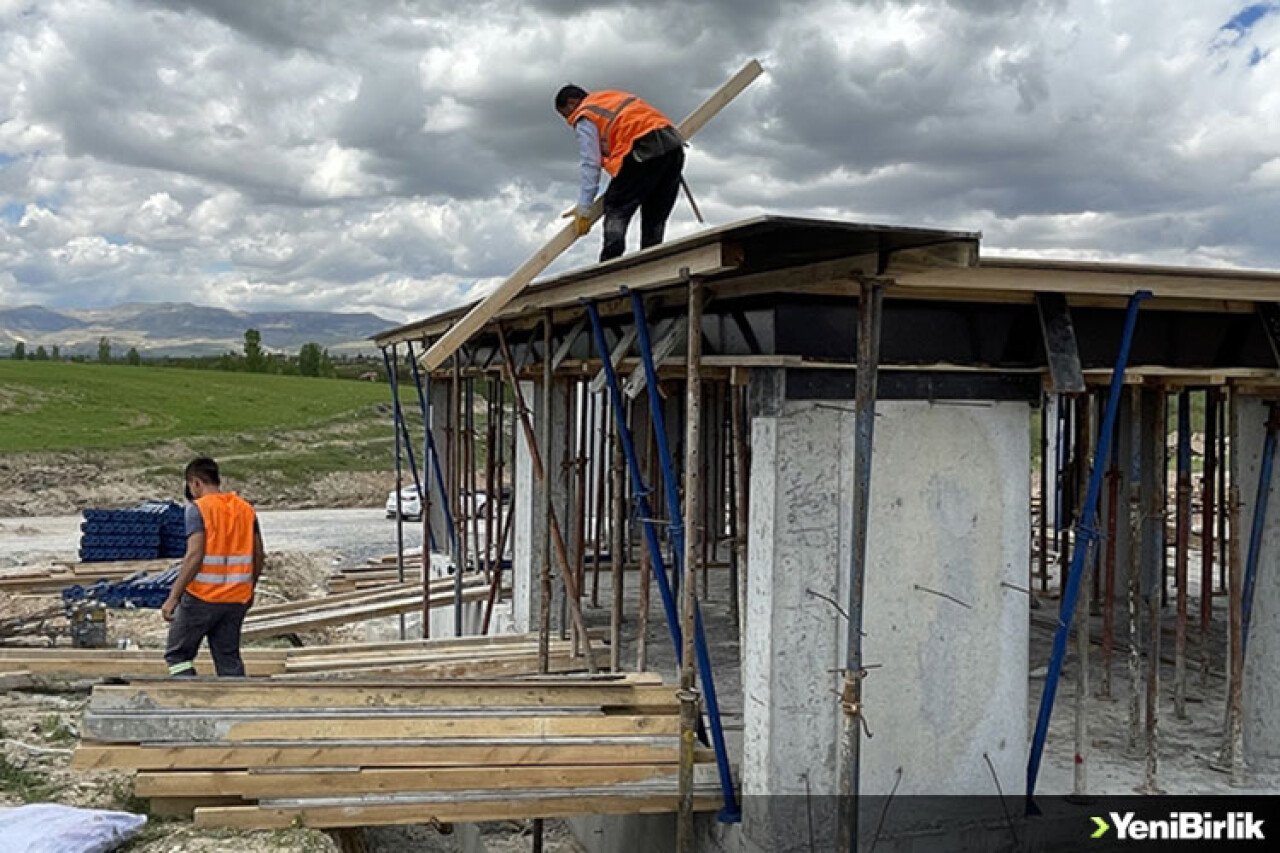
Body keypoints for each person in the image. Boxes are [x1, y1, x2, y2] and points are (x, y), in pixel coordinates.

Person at [555, 84, 685, 262]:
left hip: (642, 149)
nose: (569, 121)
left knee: (617, 205)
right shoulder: (611, 98)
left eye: (565, 115)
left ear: (571, 104)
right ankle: (652, 263)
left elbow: (590, 161)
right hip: (672, 146)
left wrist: (585, 206)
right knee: (655, 214)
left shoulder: (585, 114)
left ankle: (611, 262)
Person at [161, 457, 264, 677]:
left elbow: (195, 555)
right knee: (228, 659)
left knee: (178, 655)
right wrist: (249, 589)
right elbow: (258, 555)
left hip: (202, 598)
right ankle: (235, 704)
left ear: (195, 483)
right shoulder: (245, 509)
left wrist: (173, 597)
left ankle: (189, 699)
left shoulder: (198, 509)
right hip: (236, 598)